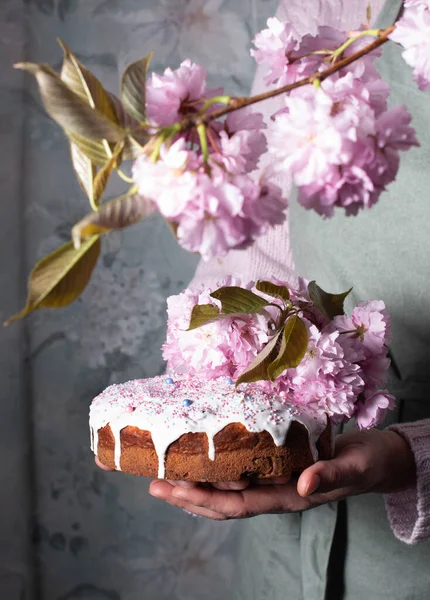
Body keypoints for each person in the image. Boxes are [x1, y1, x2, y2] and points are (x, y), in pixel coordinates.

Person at [98, 1, 430, 598]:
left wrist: (409, 456)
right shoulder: (326, 10)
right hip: (285, 551)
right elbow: (257, 246)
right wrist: (222, 384)